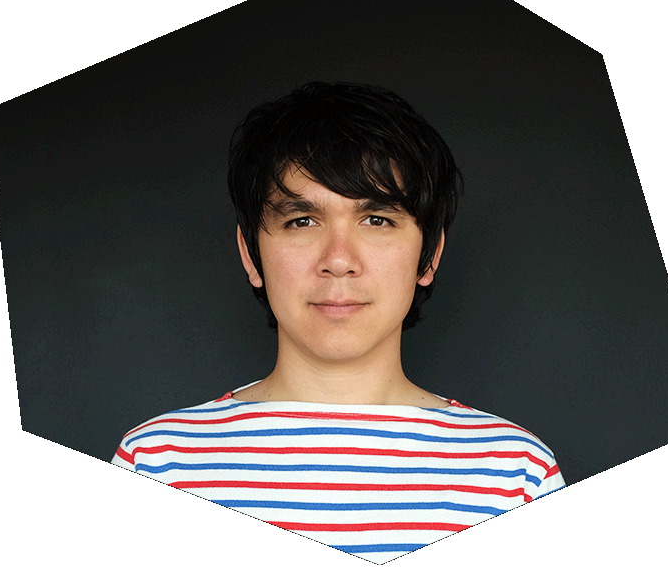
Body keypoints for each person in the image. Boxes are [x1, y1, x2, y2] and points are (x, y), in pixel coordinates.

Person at [111, 81, 565, 564]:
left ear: (429, 254)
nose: (339, 261)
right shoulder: (157, 462)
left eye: (377, 220)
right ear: (250, 254)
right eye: (302, 221)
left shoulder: (515, 474)